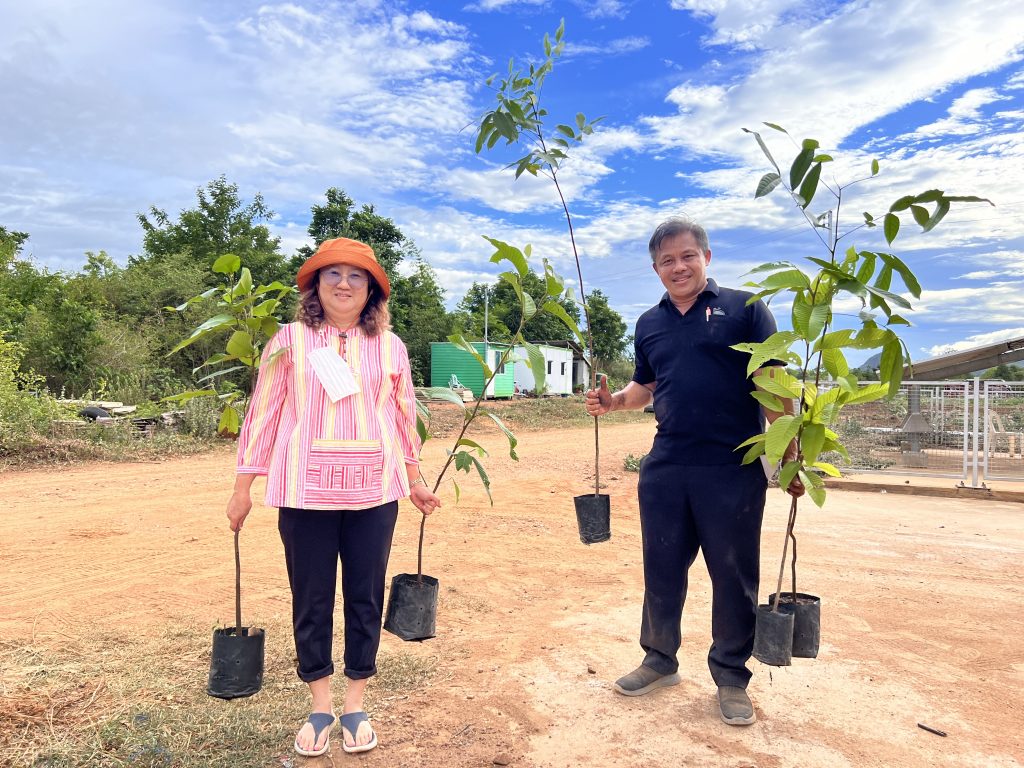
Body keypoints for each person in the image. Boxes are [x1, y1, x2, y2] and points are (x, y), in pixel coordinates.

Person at [226, 237, 441, 757]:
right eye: (333, 275)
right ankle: (320, 706)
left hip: (375, 490)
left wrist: (413, 478)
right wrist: (242, 487)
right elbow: (264, 413)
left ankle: (354, 704)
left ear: (372, 291)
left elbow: (401, 415)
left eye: (356, 276)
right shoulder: (290, 340)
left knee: (365, 598)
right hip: (304, 492)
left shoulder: (391, 347)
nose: (344, 284)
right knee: (312, 597)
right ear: (315, 286)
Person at [585, 217, 803, 726]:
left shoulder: (746, 309)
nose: (678, 267)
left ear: (708, 256)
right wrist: (614, 402)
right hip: (665, 465)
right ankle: (659, 661)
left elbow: (773, 386)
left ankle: (730, 677)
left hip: (732, 466)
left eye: (687, 256)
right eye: (666, 261)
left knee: (733, 575)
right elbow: (646, 385)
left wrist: (790, 457)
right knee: (661, 570)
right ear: (656, 268)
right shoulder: (649, 323)